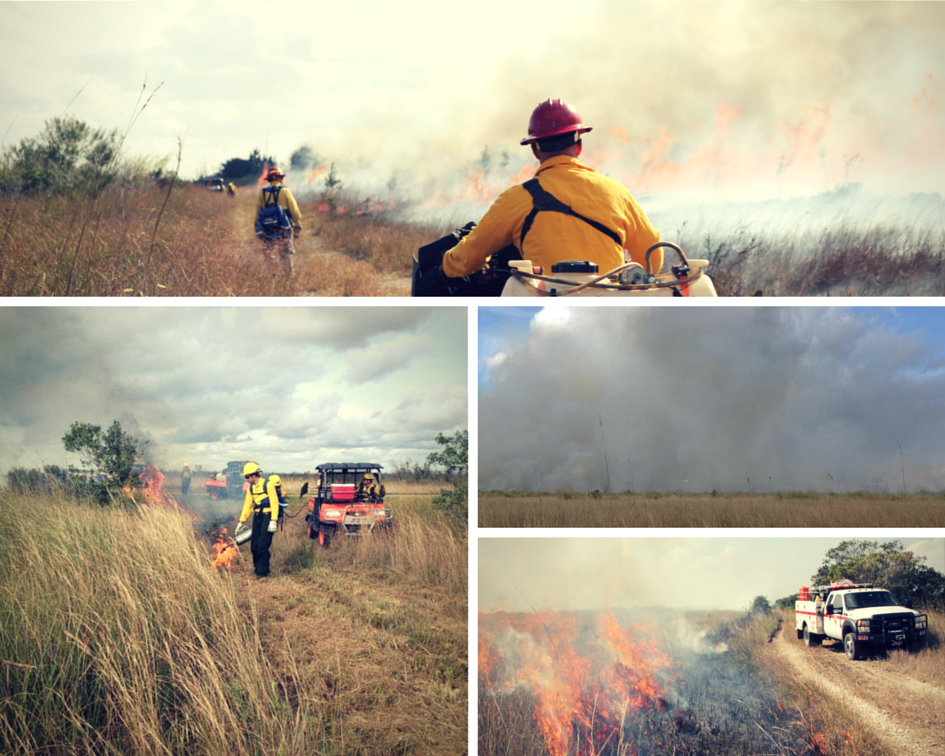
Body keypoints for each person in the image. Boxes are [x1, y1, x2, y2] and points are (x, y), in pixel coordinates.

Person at [440, 98, 662, 280]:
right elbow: (653, 256)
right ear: (579, 145)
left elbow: (465, 259)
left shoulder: (515, 200)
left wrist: (445, 265)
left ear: (535, 150)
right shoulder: (617, 192)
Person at [234, 462, 281, 578]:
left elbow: (275, 503)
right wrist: (241, 522)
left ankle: (263, 572)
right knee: (254, 545)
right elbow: (247, 505)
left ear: (253, 475)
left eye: (247, 477)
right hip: (257, 517)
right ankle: (257, 568)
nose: (247, 479)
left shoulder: (268, 485)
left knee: (262, 545)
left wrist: (273, 521)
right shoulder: (251, 488)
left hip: (268, 516)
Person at [255, 166, 302, 276]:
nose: (282, 179)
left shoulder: (263, 193)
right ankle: (288, 275)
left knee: (267, 251)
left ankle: (273, 270)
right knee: (286, 251)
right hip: (284, 227)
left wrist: (258, 227)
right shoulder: (285, 190)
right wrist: (297, 222)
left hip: (268, 227)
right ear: (277, 178)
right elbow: (294, 210)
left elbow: (258, 211)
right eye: (281, 177)